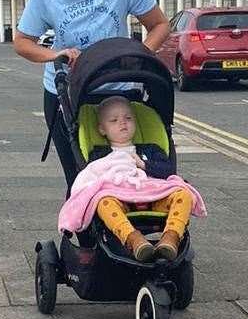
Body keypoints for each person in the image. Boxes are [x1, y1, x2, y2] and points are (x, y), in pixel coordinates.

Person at [13, 0, 171, 189]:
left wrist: (140, 56)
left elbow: (160, 25)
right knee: (80, 179)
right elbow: (22, 42)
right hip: (67, 95)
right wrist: (56, 54)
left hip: (118, 92)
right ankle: (83, 231)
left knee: (127, 176)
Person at [61, 95, 203, 261]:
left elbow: (168, 171)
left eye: (128, 118)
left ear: (135, 122)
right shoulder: (100, 154)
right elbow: (93, 176)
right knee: (102, 201)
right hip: (121, 199)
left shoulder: (150, 150)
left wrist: (143, 165)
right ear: (102, 129)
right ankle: (134, 240)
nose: (122, 123)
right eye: (114, 120)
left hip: (154, 197)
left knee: (183, 194)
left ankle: (170, 238)